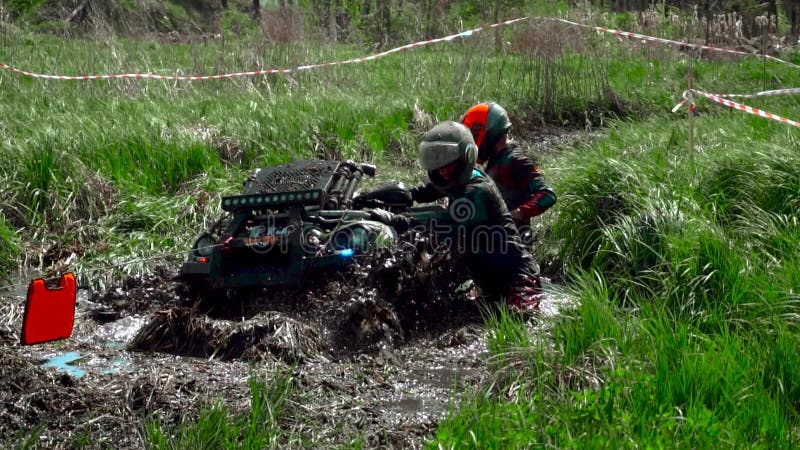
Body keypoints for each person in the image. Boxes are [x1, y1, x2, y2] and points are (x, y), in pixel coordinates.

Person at [368, 121, 542, 311]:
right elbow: (420, 193)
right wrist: (377, 197)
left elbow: (444, 222)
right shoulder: (454, 179)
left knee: (518, 323)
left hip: (518, 279)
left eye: (448, 162)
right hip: (487, 281)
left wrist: (397, 220)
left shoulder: (478, 191)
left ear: (464, 157)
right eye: (438, 162)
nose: (443, 169)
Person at [460, 102, 556, 229]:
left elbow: (547, 195)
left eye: (476, 133)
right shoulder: (496, 158)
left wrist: (516, 215)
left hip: (514, 241)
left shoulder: (515, 159)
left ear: (491, 130)